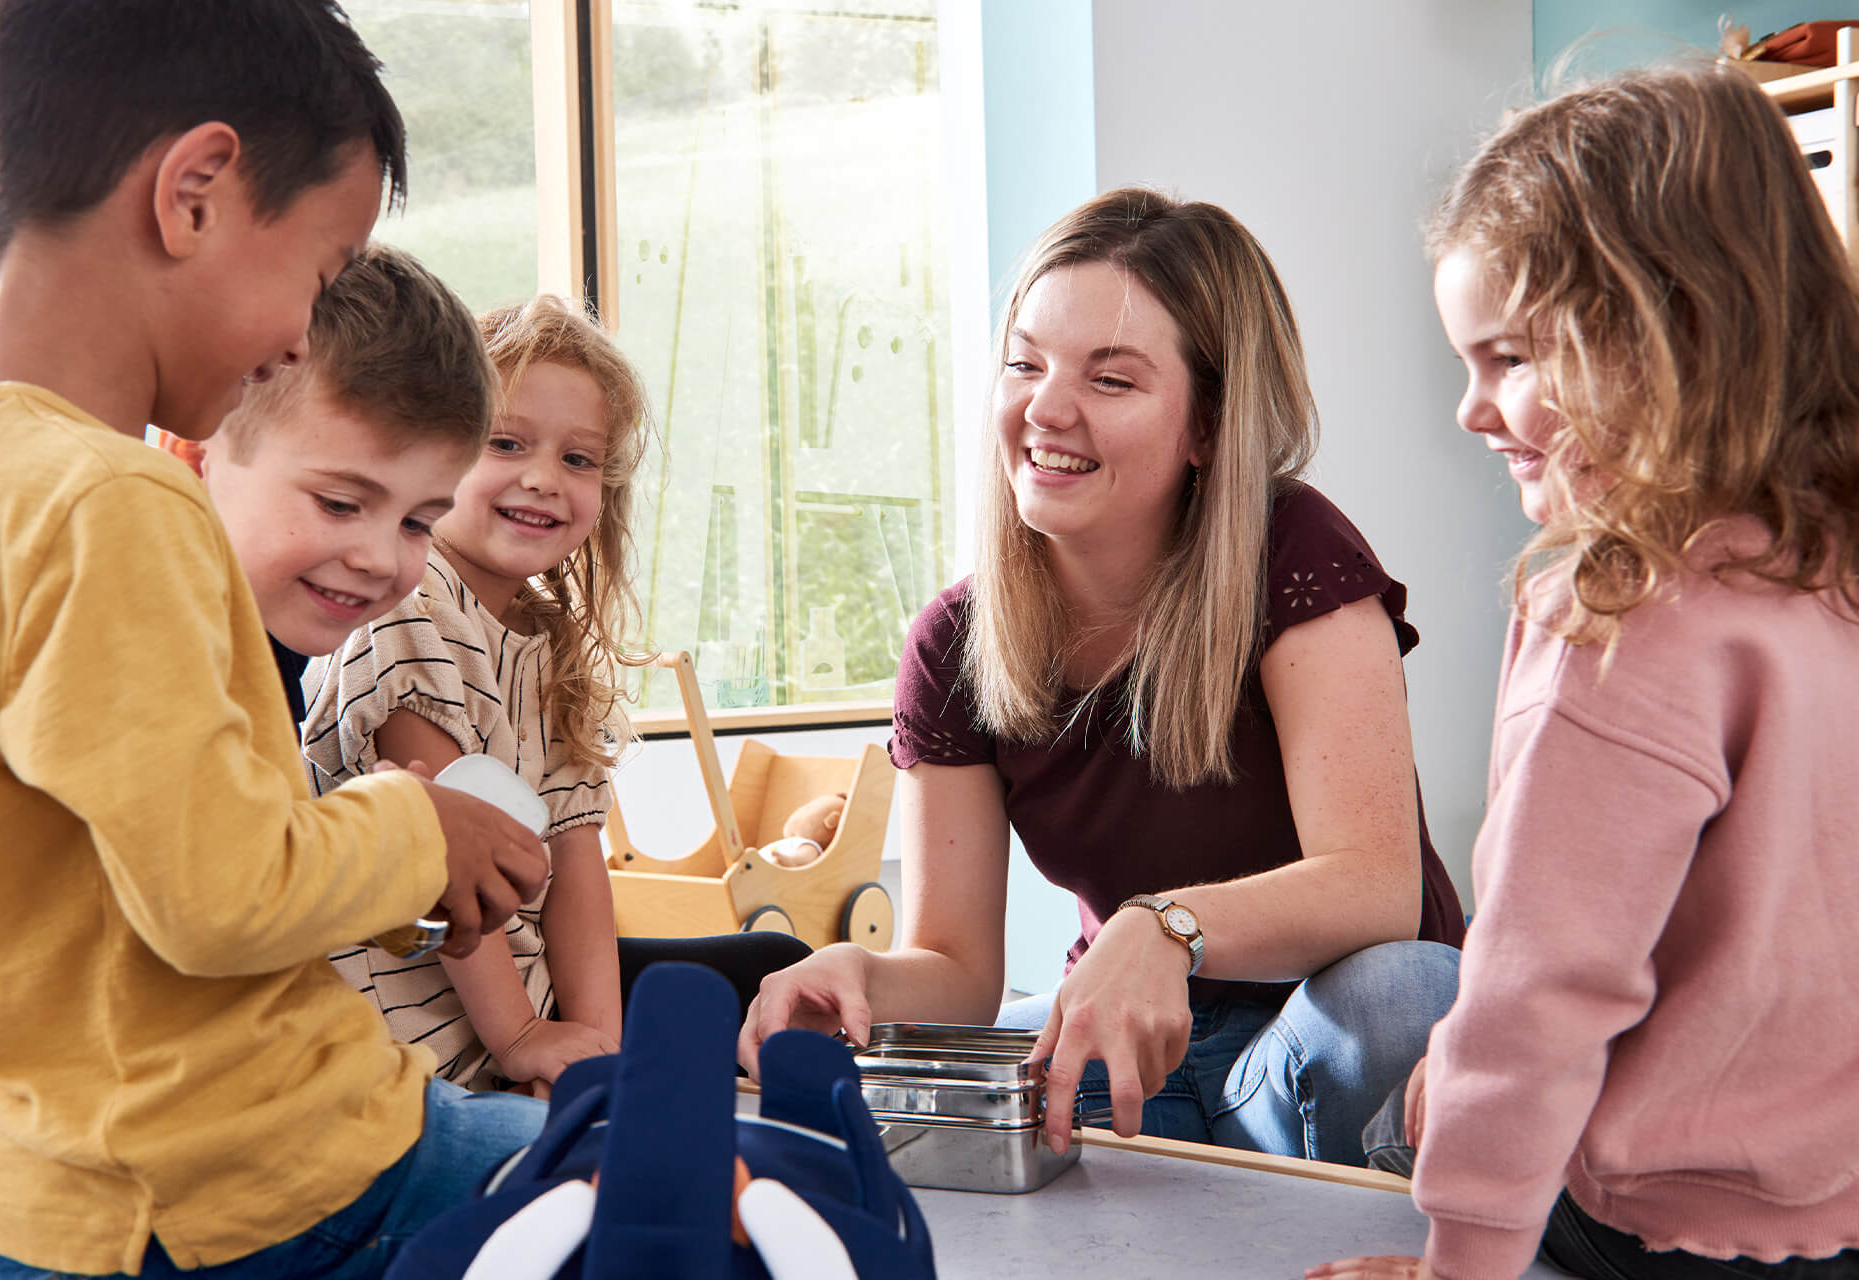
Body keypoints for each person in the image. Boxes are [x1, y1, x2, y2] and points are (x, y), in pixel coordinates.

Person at [0, 3, 553, 1278]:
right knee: (706, 1189)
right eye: (321, 274)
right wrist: (413, 823)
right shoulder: (112, 499)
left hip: (38, 1188)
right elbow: (218, 898)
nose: (296, 334)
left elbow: (77, 890)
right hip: (256, 1179)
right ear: (196, 192)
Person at [740, 187, 1467, 1167]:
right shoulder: (953, 643)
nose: (1046, 407)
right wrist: (855, 969)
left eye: (1111, 379)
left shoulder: (1292, 551)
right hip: (1124, 1054)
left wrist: (1169, 926)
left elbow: (1379, 891)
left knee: (1409, 992)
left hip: (1312, 1043)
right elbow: (956, 969)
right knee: (893, 1099)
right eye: (1024, 363)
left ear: (1209, 423)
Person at [1314, 63, 1859, 1280]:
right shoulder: (1829, 575)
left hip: (1665, 1228)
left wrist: (1463, 1257)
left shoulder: (1619, 611)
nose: (1470, 407)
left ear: (1660, 331)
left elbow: (1542, 989)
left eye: (1507, 358)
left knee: (1407, 1112)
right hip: (1835, 1212)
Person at [302, 296, 647, 1094]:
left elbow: (577, 864)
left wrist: (595, 1047)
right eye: (506, 444)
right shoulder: (410, 602)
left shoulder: (550, 644)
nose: (542, 479)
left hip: (502, 1033)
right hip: (397, 1055)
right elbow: (445, 856)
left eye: (578, 459)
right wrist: (522, 1037)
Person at [199, 241, 497, 726]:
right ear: (198, 453)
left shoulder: (266, 635)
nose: (379, 561)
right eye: (339, 505)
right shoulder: (160, 639)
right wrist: (397, 806)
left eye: (416, 523)